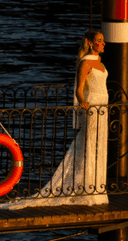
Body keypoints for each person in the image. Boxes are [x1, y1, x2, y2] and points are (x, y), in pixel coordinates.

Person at [11, 31, 109, 208]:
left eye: (103, 41)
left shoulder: (99, 62)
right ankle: (87, 187)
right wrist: (83, 102)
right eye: (100, 41)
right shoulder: (85, 63)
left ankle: (97, 185)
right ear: (91, 43)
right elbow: (79, 89)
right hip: (93, 106)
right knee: (89, 144)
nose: (103, 44)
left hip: (104, 106)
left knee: (99, 144)